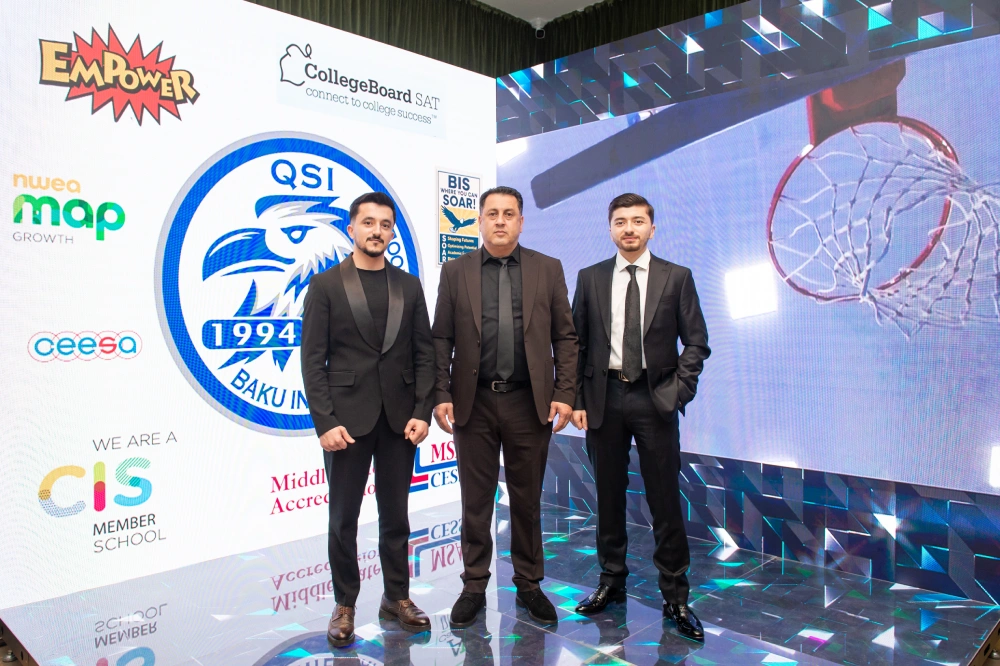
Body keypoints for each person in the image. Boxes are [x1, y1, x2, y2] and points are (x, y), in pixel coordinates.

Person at [432, 186, 578, 628]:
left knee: (527, 499)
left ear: (521, 222)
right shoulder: (455, 271)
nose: (500, 220)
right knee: (475, 500)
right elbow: (441, 338)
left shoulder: (547, 268)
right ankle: (474, 585)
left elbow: (565, 337)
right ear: (479, 221)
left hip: (528, 402)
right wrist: (441, 393)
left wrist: (565, 392)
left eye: (509, 214)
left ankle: (529, 583)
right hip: (472, 402)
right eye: (492, 213)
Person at [570, 193, 710, 640]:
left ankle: (676, 595)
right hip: (604, 399)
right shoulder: (590, 278)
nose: (628, 229)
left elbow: (697, 342)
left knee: (664, 500)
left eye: (637, 221)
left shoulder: (676, 277)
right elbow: (576, 345)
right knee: (608, 498)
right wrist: (576, 399)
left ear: (652, 228)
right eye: (620, 221)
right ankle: (611, 582)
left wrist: (677, 391)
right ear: (610, 228)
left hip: (655, 399)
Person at [300, 191, 435, 647]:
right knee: (343, 518)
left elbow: (424, 354)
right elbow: (312, 360)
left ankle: (396, 597)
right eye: (369, 222)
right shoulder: (325, 286)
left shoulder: (409, 286)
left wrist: (422, 411)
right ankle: (345, 603)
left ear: (392, 232)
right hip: (346, 423)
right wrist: (324, 422)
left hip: (400, 422)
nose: (377, 231)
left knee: (396, 515)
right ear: (351, 229)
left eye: (385, 224)